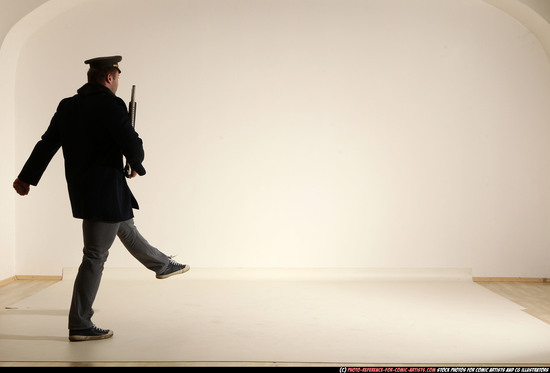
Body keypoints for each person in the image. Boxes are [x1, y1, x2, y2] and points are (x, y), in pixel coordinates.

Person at [12, 55, 189, 342]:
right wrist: (137, 160)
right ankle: (80, 324)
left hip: (88, 189)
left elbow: (47, 143)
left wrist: (26, 177)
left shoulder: (68, 105)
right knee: (94, 256)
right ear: (109, 77)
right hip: (104, 191)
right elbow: (130, 142)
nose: (117, 84)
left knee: (126, 227)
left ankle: (161, 265)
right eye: (116, 79)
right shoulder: (111, 104)